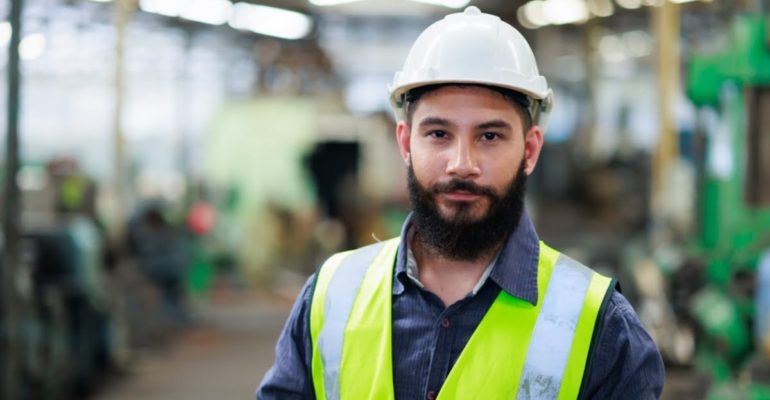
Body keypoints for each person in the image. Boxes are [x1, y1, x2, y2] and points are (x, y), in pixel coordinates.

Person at [257, 6, 664, 399]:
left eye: (489, 136)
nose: (462, 164)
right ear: (405, 143)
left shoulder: (601, 328)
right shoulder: (330, 298)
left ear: (530, 150)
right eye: (438, 134)